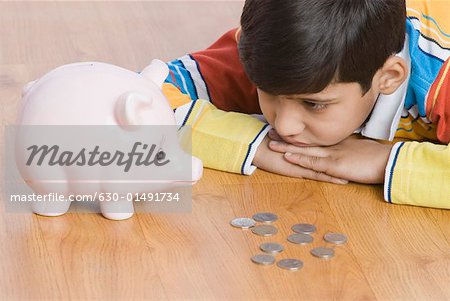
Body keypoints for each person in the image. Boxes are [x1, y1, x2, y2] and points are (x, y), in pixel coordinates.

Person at [161, 0, 450, 209]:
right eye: (268, 92)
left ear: (388, 78)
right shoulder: (273, 50)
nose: (283, 125)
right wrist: (253, 144)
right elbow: (135, 99)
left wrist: (382, 161)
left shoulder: (441, 72)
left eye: (314, 104)